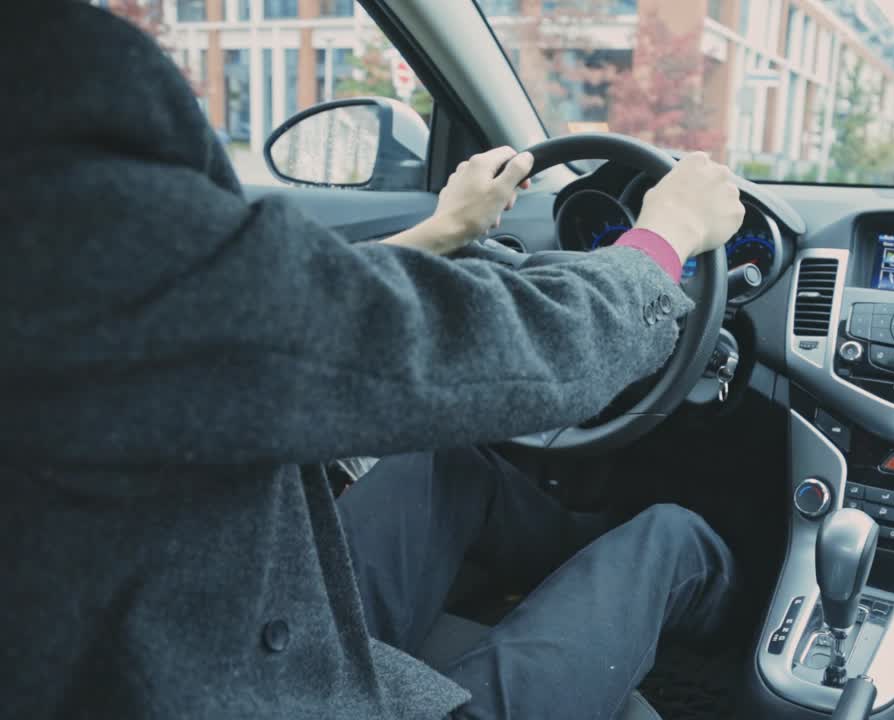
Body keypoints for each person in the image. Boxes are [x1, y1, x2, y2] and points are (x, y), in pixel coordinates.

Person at [0, 4, 745, 719]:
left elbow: (248, 312)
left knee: (443, 463)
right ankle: (734, 656)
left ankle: (577, 573)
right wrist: (662, 242)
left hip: (185, 631)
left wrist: (442, 231)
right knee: (674, 536)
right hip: (232, 688)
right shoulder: (45, 179)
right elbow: (491, 342)